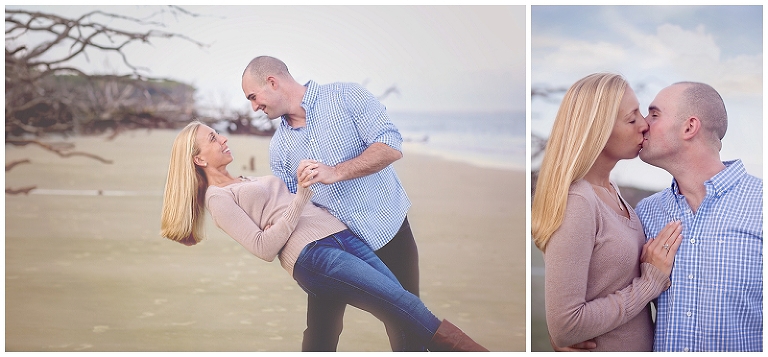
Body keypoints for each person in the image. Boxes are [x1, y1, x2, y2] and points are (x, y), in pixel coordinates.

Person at [159, 121, 488, 352]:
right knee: (403, 304)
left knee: (402, 311)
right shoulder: (218, 198)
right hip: (313, 256)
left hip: (343, 237)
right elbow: (263, 248)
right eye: (213, 138)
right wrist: (301, 196)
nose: (222, 139)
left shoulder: (243, 180)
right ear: (199, 158)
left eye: (218, 134)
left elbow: (286, 211)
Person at [241, 56, 422, 351]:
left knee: (407, 323)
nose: (254, 107)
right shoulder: (279, 148)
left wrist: (336, 172)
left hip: (387, 231)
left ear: (272, 82)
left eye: (253, 96)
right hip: (333, 247)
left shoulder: (347, 96)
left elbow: (390, 145)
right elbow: (295, 210)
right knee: (321, 333)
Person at [531, 73, 683, 351]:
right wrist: (649, 283)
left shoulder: (611, 192)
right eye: (631, 118)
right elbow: (566, 326)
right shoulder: (579, 201)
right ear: (598, 131)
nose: (644, 125)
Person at [635, 82, 763, 352]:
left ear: (689, 127)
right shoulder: (645, 213)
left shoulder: (762, 204)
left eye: (654, 114)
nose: (643, 124)